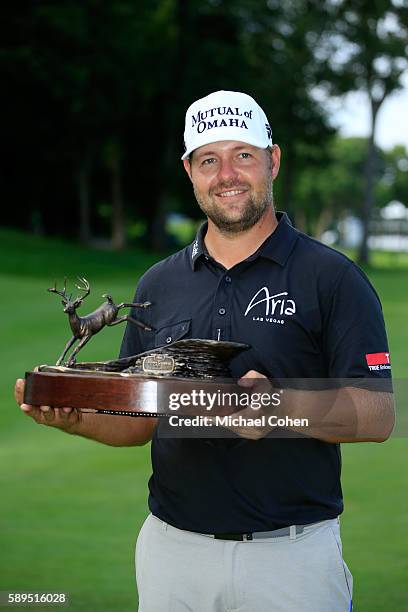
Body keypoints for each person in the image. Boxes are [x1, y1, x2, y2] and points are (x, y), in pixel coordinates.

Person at [15, 90, 394, 612]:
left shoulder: (333, 279)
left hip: (293, 560)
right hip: (173, 554)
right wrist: (73, 418)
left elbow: (376, 413)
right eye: (209, 160)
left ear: (273, 160)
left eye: (243, 155)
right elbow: (138, 417)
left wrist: (278, 409)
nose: (227, 174)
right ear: (189, 171)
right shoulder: (160, 282)